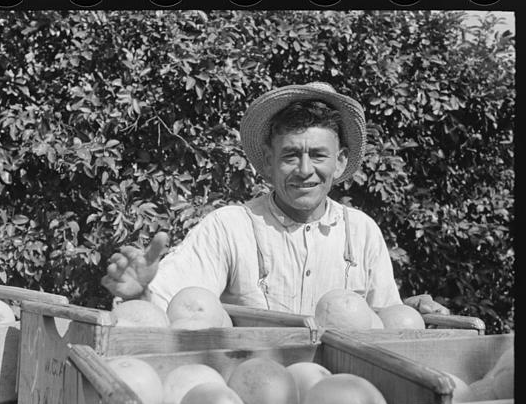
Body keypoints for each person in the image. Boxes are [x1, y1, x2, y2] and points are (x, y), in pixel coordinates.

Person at [101, 82, 449, 316]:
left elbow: (381, 325)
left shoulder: (362, 233)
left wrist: (408, 312)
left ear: (340, 161)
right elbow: (170, 302)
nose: (304, 170)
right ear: (268, 161)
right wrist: (138, 293)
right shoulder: (230, 228)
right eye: (290, 155)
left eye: (318, 155)